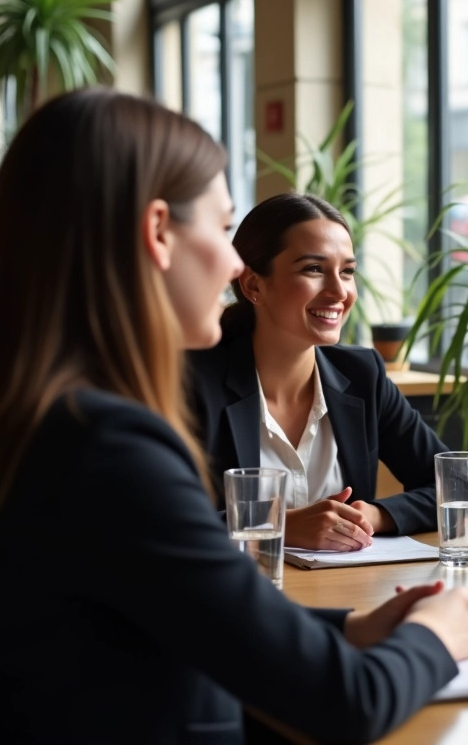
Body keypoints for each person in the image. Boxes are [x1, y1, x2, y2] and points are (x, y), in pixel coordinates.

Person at [0, 89, 468, 744]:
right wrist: (434, 637)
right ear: (158, 231)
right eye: (222, 231)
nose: (230, 265)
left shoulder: (17, 415)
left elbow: (188, 614)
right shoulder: (107, 448)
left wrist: (356, 628)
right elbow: (347, 705)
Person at [188, 193, 444, 551]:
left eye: (348, 271)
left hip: (343, 591)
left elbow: (452, 486)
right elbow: (156, 521)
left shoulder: (362, 374)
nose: (340, 291)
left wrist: (370, 515)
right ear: (253, 285)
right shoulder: (193, 381)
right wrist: (278, 526)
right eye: (313, 269)